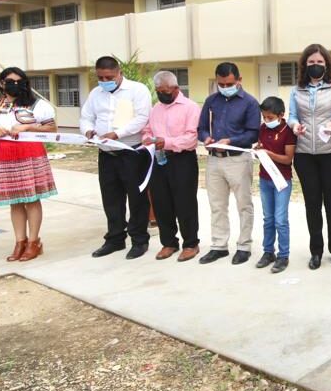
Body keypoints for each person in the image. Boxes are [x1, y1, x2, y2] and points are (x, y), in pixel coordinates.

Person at [0, 67, 58, 262]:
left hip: (29, 153)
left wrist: (28, 126)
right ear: (1, 83)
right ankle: (19, 241)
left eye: (18, 81)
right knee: (15, 201)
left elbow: (52, 128)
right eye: (9, 81)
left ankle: (34, 242)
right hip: (4, 155)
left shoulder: (37, 104)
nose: (14, 84)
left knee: (31, 199)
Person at [81, 56, 152, 260]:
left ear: (119, 72)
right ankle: (115, 239)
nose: (104, 81)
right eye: (100, 77)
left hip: (132, 152)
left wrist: (117, 134)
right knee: (111, 198)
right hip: (106, 154)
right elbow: (86, 117)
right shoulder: (96, 93)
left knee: (137, 198)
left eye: (109, 77)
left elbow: (141, 118)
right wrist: (88, 131)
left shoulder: (137, 90)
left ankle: (139, 240)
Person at [289, 43, 331, 270]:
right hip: (305, 154)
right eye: (311, 63)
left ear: (327, 64)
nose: (315, 66)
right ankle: (316, 251)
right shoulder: (297, 90)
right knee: (312, 204)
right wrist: (295, 127)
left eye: (319, 63)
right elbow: (292, 117)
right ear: (305, 65)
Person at [197, 62, 260, 265]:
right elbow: (202, 128)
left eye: (229, 83)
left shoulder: (250, 102)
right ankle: (219, 245)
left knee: (244, 204)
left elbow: (253, 133)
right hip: (214, 160)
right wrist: (206, 138)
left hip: (238, 160)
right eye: (221, 83)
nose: (225, 87)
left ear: (239, 80)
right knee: (217, 205)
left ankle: (244, 245)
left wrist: (230, 142)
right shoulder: (211, 101)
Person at [142, 71, 202, 262]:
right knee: (161, 202)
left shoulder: (190, 107)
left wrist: (166, 142)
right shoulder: (156, 109)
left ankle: (191, 243)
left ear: (176, 88)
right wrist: (147, 139)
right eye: (158, 91)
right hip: (159, 159)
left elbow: (192, 137)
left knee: (185, 203)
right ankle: (169, 242)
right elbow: (147, 130)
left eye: (165, 91)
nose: (162, 94)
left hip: (182, 159)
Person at [254, 97, 296, 274]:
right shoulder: (262, 129)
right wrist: (257, 151)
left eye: (270, 118)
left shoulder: (288, 131)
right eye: (264, 117)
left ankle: (283, 255)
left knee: (280, 219)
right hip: (265, 178)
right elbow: (261, 146)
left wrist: (269, 154)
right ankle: (268, 252)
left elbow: (288, 159)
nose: (266, 121)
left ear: (281, 115)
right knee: (268, 219)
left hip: (282, 180)